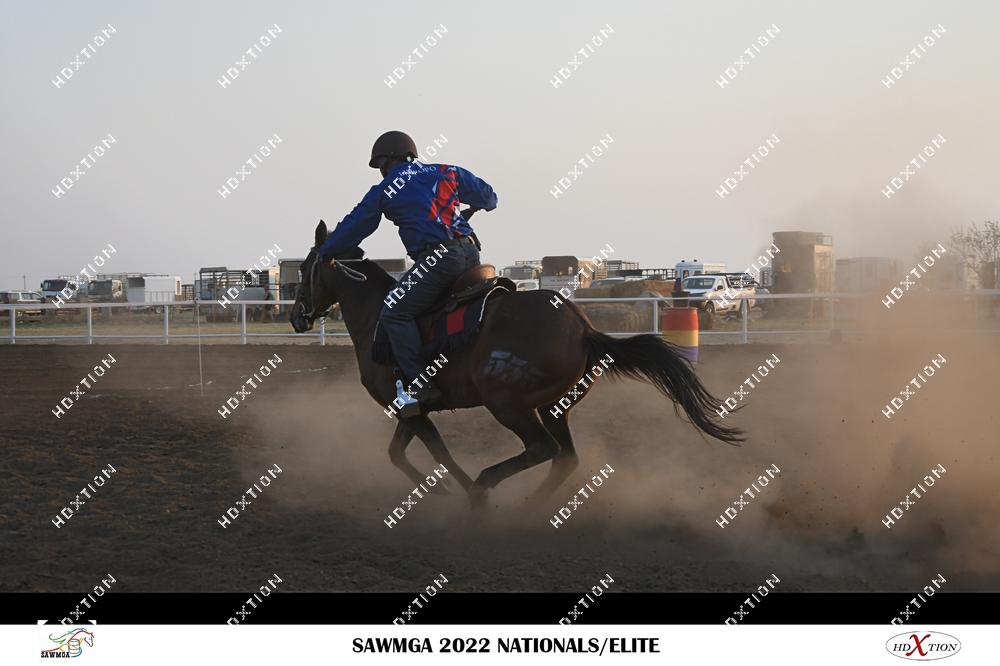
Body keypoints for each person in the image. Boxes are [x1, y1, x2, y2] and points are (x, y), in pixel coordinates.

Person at [317, 131, 498, 413]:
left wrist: (326, 251)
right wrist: (474, 206)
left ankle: (419, 386)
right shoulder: (447, 171)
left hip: (438, 260)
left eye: (380, 165)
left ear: (387, 161)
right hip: (471, 254)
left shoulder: (387, 188)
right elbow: (490, 198)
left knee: (394, 310)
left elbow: (356, 225)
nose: (381, 171)